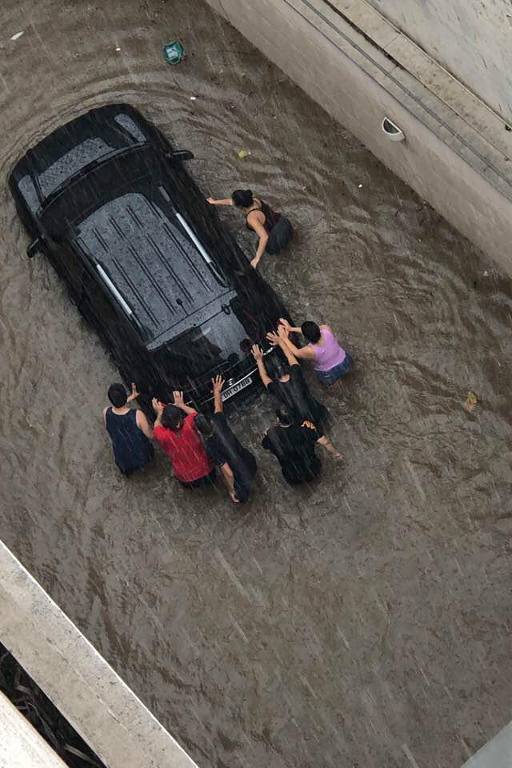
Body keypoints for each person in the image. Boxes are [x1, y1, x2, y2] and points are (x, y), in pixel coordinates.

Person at [252, 341, 342, 459]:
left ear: (273, 375)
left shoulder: (275, 388)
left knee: (316, 438)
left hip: (302, 420)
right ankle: (336, 451)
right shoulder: (296, 373)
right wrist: (280, 341)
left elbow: (264, 376)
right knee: (328, 430)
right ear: (285, 366)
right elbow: (290, 356)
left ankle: (331, 452)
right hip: (316, 410)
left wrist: (259, 359)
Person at [195, 376, 257, 503]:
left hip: (240, 475)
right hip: (248, 460)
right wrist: (217, 390)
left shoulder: (210, 446)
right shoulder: (218, 421)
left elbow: (228, 473)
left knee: (241, 498)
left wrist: (231, 490)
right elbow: (218, 406)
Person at [207, 189, 293, 269]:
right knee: (289, 244)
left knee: (268, 250)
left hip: (276, 237)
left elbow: (264, 237)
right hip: (284, 223)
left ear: (240, 206)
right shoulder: (255, 200)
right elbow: (231, 202)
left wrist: (257, 258)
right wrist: (214, 202)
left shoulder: (252, 218)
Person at [262, 406, 340, 486]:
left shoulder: (272, 436)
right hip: (312, 471)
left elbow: (265, 446)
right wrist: (336, 454)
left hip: (291, 477)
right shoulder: (306, 430)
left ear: (278, 419)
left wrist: (267, 434)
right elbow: (325, 442)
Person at [152, 392, 215, 488]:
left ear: (165, 422)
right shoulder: (189, 423)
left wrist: (159, 413)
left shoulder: (163, 435)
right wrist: (181, 405)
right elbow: (195, 413)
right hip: (207, 471)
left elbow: (156, 425)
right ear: (180, 416)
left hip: (187, 479)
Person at [272, 320, 353, 386]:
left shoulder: (310, 350)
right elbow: (312, 331)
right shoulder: (326, 329)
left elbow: (296, 352)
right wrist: (291, 328)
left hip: (329, 373)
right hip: (345, 361)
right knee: (348, 376)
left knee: (331, 386)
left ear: (306, 338)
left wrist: (284, 338)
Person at [103, 383, 154, 476]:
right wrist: (159, 417)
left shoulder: (106, 412)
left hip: (122, 458)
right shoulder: (138, 415)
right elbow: (151, 435)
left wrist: (131, 397)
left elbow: (117, 408)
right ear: (125, 396)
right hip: (141, 455)